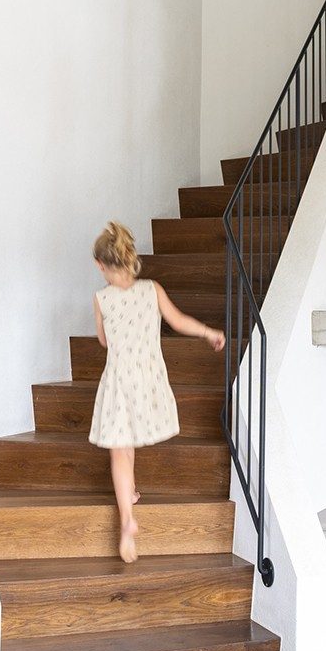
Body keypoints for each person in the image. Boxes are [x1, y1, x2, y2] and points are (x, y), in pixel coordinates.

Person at [89, 221, 225, 563]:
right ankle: (131, 493)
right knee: (131, 437)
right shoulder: (152, 290)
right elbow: (178, 322)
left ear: (101, 266)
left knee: (120, 448)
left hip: (118, 379)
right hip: (147, 378)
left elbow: (104, 341)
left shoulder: (101, 299)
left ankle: (127, 521)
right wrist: (209, 332)